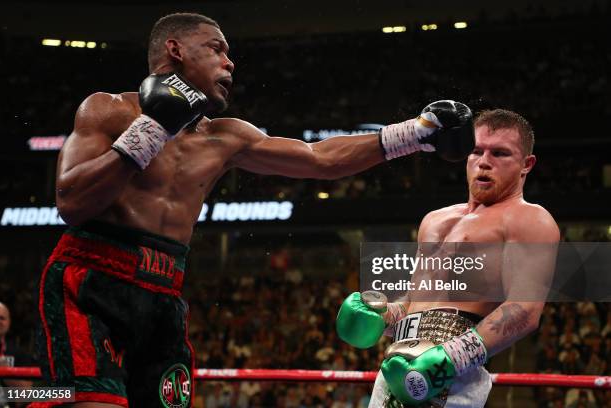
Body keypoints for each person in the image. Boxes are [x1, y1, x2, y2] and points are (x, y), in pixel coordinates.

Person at [34, 12, 474, 408]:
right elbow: (71, 203)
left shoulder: (226, 137)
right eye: (217, 49)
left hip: (164, 293)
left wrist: (415, 134)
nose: (231, 63)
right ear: (176, 49)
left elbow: (318, 158)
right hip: (91, 281)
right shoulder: (107, 109)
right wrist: (149, 130)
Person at [336, 109, 560, 407]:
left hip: (453, 375)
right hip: (397, 364)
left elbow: (525, 310)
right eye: (476, 151)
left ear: (526, 164)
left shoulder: (530, 219)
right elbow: (415, 302)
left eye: (500, 153)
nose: (484, 161)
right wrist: (384, 317)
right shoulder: (434, 220)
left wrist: (451, 359)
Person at [0, 302, 33, 408]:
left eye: (2, 318)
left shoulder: (18, 353)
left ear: (9, 322)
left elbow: (26, 396)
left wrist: (5, 371)